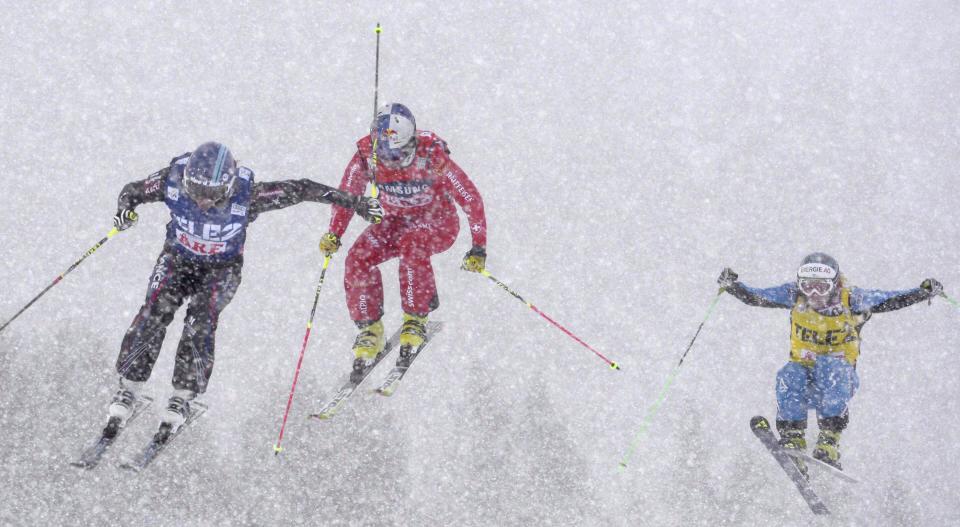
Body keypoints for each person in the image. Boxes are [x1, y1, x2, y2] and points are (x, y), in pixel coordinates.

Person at [105, 142, 383, 438]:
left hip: (221, 269)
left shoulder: (247, 195)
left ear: (227, 187)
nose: (203, 201)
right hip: (178, 259)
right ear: (186, 179)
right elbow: (132, 191)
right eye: (197, 191)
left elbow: (302, 189)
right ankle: (129, 388)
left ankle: (183, 396)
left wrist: (357, 203)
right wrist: (124, 212)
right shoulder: (170, 180)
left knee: (201, 320)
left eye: (212, 195)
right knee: (154, 311)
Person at [718, 252, 942, 469]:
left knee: (830, 367)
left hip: (836, 382)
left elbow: (891, 299)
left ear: (835, 284)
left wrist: (921, 292)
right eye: (808, 286)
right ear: (799, 285)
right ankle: (793, 437)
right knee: (789, 374)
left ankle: (829, 439)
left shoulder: (852, 298)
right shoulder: (793, 295)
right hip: (804, 380)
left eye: (822, 287)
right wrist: (733, 286)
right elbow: (758, 296)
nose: (814, 293)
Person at [319, 103, 487, 381]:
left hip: (438, 222)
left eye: (397, 155)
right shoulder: (367, 155)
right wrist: (334, 233)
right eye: (384, 154)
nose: (391, 161)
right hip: (395, 221)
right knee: (358, 256)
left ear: (410, 143)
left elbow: (469, 197)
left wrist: (478, 246)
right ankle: (370, 329)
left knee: (413, 245)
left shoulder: (431, 153)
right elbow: (347, 194)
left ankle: (415, 318)